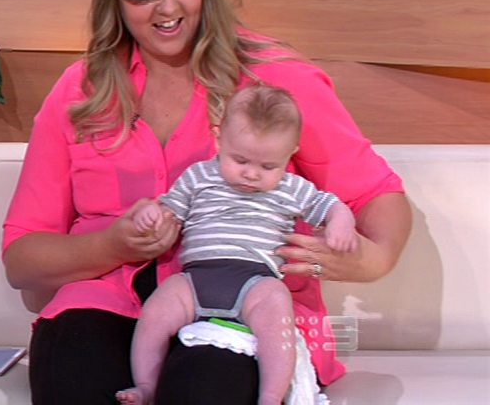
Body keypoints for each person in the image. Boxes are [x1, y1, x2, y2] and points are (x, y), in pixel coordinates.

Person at [2, 0, 411, 404]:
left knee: (204, 386)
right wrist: (114, 245)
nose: (168, 8)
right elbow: (22, 259)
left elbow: (377, 195)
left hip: (242, 302)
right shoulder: (79, 91)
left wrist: (371, 261)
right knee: (73, 375)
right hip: (105, 300)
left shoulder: (275, 81)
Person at [116, 85, 358, 405]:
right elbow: (170, 209)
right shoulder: (199, 176)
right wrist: (152, 213)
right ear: (219, 140)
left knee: (277, 312)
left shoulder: (290, 188)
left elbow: (329, 205)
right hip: (196, 279)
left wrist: (341, 222)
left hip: (255, 281)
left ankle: (271, 395)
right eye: (240, 159)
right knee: (155, 314)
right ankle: (147, 385)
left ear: (290, 154)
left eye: (268, 166)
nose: (252, 174)